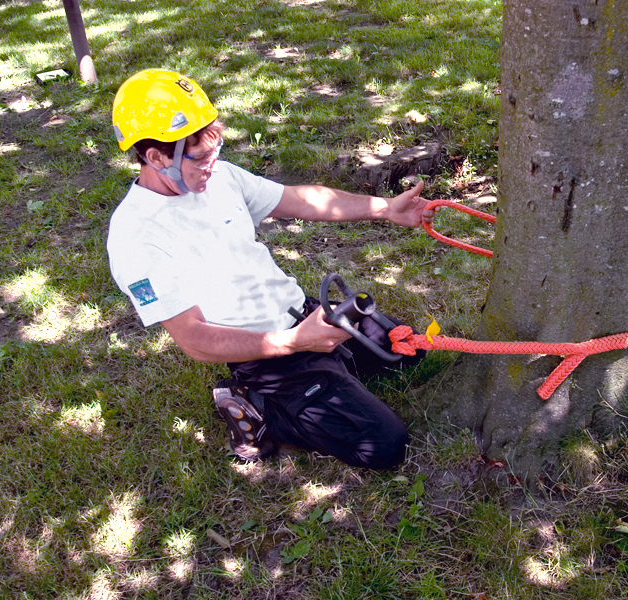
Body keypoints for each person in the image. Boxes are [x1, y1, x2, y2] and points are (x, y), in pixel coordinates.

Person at [107, 69, 432, 470]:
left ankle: (332, 370)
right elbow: (193, 339)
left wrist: (384, 209)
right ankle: (257, 407)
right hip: (267, 354)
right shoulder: (136, 237)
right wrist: (294, 343)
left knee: (410, 350)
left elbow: (296, 200)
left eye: (216, 147)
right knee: (383, 445)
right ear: (155, 157)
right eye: (200, 156)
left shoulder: (220, 177)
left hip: (304, 313)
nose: (213, 163)